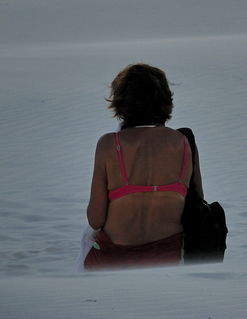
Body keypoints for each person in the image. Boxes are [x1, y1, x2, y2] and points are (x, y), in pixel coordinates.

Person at [84, 63, 203, 269]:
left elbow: (95, 219)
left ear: (121, 101)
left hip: (112, 261)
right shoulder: (184, 143)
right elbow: (197, 204)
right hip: (168, 260)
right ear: (165, 99)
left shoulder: (109, 144)